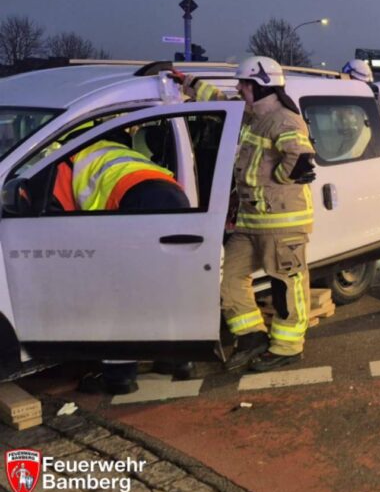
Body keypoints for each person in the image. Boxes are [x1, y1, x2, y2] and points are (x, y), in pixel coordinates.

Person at [170, 57, 317, 373]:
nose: (239, 88)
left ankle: (288, 347)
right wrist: (189, 84)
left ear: (260, 85)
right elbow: (222, 102)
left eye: (244, 84)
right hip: (251, 222)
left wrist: (277, 179)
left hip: (281, 223)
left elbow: (301, 157)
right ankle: (251, 338)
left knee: (287, 285)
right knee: (228, 278)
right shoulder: (252, 115)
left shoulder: (285, 120)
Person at [49, 125, 191, 394]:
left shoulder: (68, 158)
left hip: (136, 203)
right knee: (163, 288)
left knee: (121, 296)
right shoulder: (120, 153)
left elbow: (62, 216)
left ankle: (119, 377)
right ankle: (177, 360)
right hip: (175, 197)